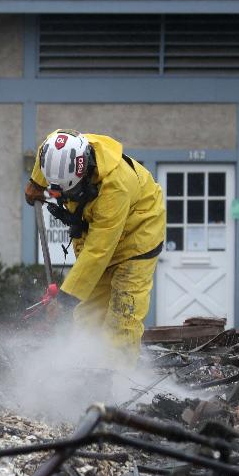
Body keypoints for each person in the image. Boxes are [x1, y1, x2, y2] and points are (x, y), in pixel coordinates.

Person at [25, 129, 165, 357]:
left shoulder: (115, 188)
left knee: (123, 315)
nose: (66, 195)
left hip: (138, 235)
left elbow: (99, 249)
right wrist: (36, 181)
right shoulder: (60, 146)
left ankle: (119, 382)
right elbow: (43, 152)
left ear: (85, 170)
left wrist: (66, 297)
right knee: (88, 315)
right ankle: (82, 371)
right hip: (101, 232)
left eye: (70, 190)